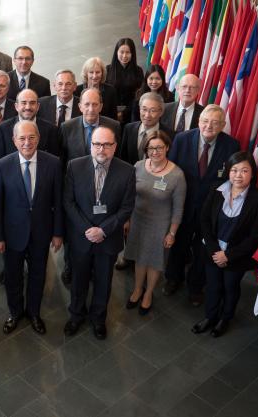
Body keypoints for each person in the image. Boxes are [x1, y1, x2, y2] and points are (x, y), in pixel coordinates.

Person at [163, 105, 240, 306]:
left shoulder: (232, 146)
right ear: (199, 121)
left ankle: (195, 287)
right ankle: (173, 278)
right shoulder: (182, 139)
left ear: (223, 125)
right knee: (179, 243)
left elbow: (232, 180)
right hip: (184, 205)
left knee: (202, 250)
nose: (209, 126)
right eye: (205, 121)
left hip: (211, 211)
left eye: (215, 123)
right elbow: (171, 170)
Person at [0, 120, 63, 335]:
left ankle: (34, 312)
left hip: (41, 232)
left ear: (38, 139)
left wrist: (58, 233)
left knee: (38, 275)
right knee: (13, 276)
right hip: (12, 234)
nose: (27, 142)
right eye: (21, 138)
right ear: (14, 141)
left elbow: (58, 201)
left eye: (32, 137)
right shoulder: (2, 165)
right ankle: (14, 312)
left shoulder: (54, 163)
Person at [63, 126, 135, 340]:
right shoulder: (74, 166)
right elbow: (68, 202)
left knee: (104, 281)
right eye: (97, 144)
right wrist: (87, 229)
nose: (101, 148)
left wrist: (103, 230)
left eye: (107, 144)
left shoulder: (127, 170)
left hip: (108, 238)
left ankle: (98, 319)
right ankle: (76, 315)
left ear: (115, 146)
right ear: (90, 144)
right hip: (81, 237)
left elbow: (127, 207)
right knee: (78, 280)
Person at [193, 151, 258, 337]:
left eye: (244, 171)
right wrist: (215, 251)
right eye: (234, 170)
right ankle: (210, 317)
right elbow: (204, 221)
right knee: (212, 285)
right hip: (213, 251)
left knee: (230, 287)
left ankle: (225, 318)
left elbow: (256, 236)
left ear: (252, 173)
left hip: (238, 256)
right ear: (228, 171)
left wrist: (228, 255)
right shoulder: (216, 190)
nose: (238, 175)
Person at [59, 88, 122, 286]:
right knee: (74, 235)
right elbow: (62, 160)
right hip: (77, 194)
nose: (91, 108)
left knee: (99, 233)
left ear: (101, 106)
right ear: (79, 106)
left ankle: (96, 269)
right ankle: (70, 267)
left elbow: (119, 159)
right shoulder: (66, 127)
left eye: (95, 104)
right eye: (86, 104)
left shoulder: (114, 126)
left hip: (104, 191)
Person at [124, 131, 186, 315]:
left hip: (161, 225)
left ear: (167, 147)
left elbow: (178, 208)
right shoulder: (138, 166)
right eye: (151, 148)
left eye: (159, 147)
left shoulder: (177, 175)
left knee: (154, 261)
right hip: (137, 220)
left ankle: (148, 293)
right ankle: (137, 289)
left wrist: (172, 233)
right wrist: (127, 219)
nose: (155, 151)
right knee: (139, 257)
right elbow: (128, 196)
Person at [0, 89, 60, 160]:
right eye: (24, 103)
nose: (28, 107)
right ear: (16, 106)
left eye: (32, 103)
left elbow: (54, 161)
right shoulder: (2, 129)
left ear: (38, 106)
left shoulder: (51, 129)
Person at [120, 92, 174, 165]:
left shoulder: (170, 135)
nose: (147, 115)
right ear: (139, 109)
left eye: (153, 110)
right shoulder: (129, 128)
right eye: (144, 109)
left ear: (161, 112)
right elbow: (123, 157)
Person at [105, 38, 144, 124]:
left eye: (128, 52)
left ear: (132, 53)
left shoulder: (138, 71)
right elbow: (106, 93)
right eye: (121, 52)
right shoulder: (108, 69)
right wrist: (116, 112)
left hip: (131, 112)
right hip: (111, 111)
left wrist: (124, 112)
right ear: (116, 52)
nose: (124, 56)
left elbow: (139, 95)